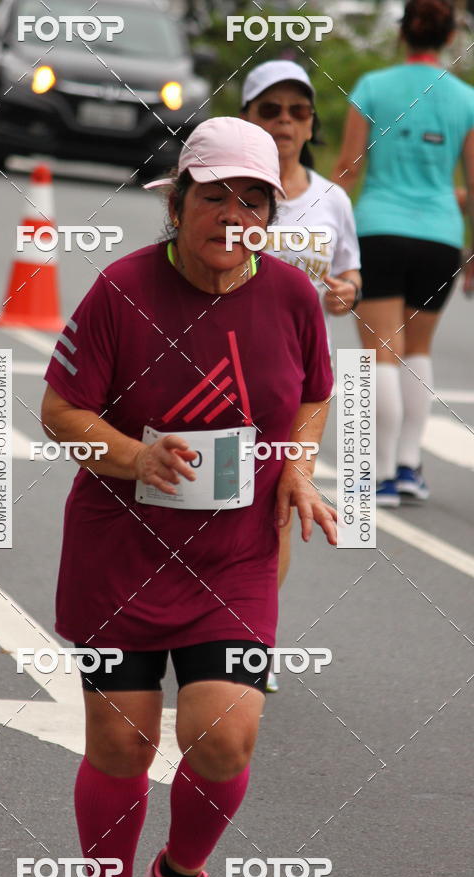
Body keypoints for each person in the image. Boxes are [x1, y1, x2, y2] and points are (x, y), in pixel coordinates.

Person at [41, 116, 336, 877]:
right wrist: (136, 456)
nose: (235, 218)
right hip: (120, 556)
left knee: (223, 736)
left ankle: (179, 876)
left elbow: (314, 396)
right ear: (176, 204)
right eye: (216, 198)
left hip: (235, 556)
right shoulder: (122, 289)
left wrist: (298, 470)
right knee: (120, 741)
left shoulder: (291, 293)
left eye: (255, 202)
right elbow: (60, 411)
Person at [240, 60, 361, 691]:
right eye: (270, 110)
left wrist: (344, 295)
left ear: (312, 124)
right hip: (224, 372)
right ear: (249, 119)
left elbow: (349, 278)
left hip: (301, 385)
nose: (285, 123)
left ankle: (251, 637)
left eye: (298, 112)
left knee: (279, 505)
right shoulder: (232, 189)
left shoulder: (332, 199)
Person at [332, 0, 474, 506]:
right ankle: (411, 467)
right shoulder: (465, 98)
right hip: (440, 237)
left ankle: (381, 474)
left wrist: (324, 224)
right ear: (451, 35)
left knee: (378, 357)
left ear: (402, 33)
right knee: (417, 351)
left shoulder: (373, 86)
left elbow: (348, 167)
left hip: (379, 230)